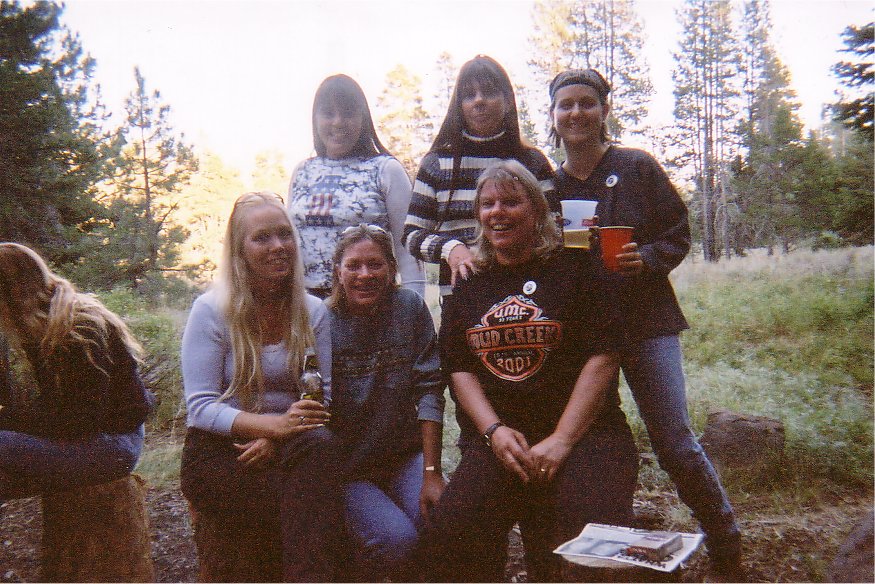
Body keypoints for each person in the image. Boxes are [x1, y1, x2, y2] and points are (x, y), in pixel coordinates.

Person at [549, 68, 742, 576]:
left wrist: (648, 257)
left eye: (587, 102)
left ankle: (725, 540)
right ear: (552, 114)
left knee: (674, 442)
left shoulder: (636, 166)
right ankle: (594, 548)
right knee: (586, 440)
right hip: (583, 335)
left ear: (604, 109)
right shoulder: (551, 183)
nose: (576, 112)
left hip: (645, 323)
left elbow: (678, 230)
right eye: (566, 104)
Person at [421, 161, 638, 582]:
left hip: (585, 436)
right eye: (488, 204)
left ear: (537, 209)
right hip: (503, 441)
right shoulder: (470, 279)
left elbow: (604, 357)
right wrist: (493, 431)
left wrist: (562, 439)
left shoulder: (575, 266)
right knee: (453, 533)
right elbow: (459, 368)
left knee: (590, 546)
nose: (497, 212)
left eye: (511, 202)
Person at [179, 191, 341, 581]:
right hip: (222, 446)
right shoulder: (211, 311)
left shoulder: (313, 311)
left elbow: (323, 396)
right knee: (294, 508)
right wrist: (270, 427)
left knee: (319, 452)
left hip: (293, 442)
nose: (278, 246)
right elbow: (200, 407)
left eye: (285, 234)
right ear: (240, 250)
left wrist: (278, 438)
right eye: (262, 238)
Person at [325, 224, 445, 580]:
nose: (365, 275)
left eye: (375, 264)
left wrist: (432, 473)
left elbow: (430, 389)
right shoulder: (322, 320)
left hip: (403, 456)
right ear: (338, 271)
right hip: (347, 469)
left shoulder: (409, 308)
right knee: (398, 541)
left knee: (440, 517)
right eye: (354, 265)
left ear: (392, 268)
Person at [0, 242, 153, 502]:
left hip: (114, 444)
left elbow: (81, 421)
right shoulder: (44, 327)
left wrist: (7, 419)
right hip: (95, 438)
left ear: (11, 292)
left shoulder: (78, 331)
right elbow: (58, 409)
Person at [403, 55, 558, 296]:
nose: (479, 101)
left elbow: (554, 227)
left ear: (507, 101)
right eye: (469, 95)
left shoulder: (532, 162)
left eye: (489, 92)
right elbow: (411, 234)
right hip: (460, 297)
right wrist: (450, 249)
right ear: (459, 106)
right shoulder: (437, 163)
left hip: (526, 291)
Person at [288, 74, 425, 299]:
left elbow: (407, 252)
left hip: (368, 303)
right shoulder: (302, 171)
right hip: (308, 306)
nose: (338, 122)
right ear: (315, 119)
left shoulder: (386, 170)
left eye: (348, 113)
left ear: (363, 118)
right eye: (328, 113)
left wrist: (413, 308)